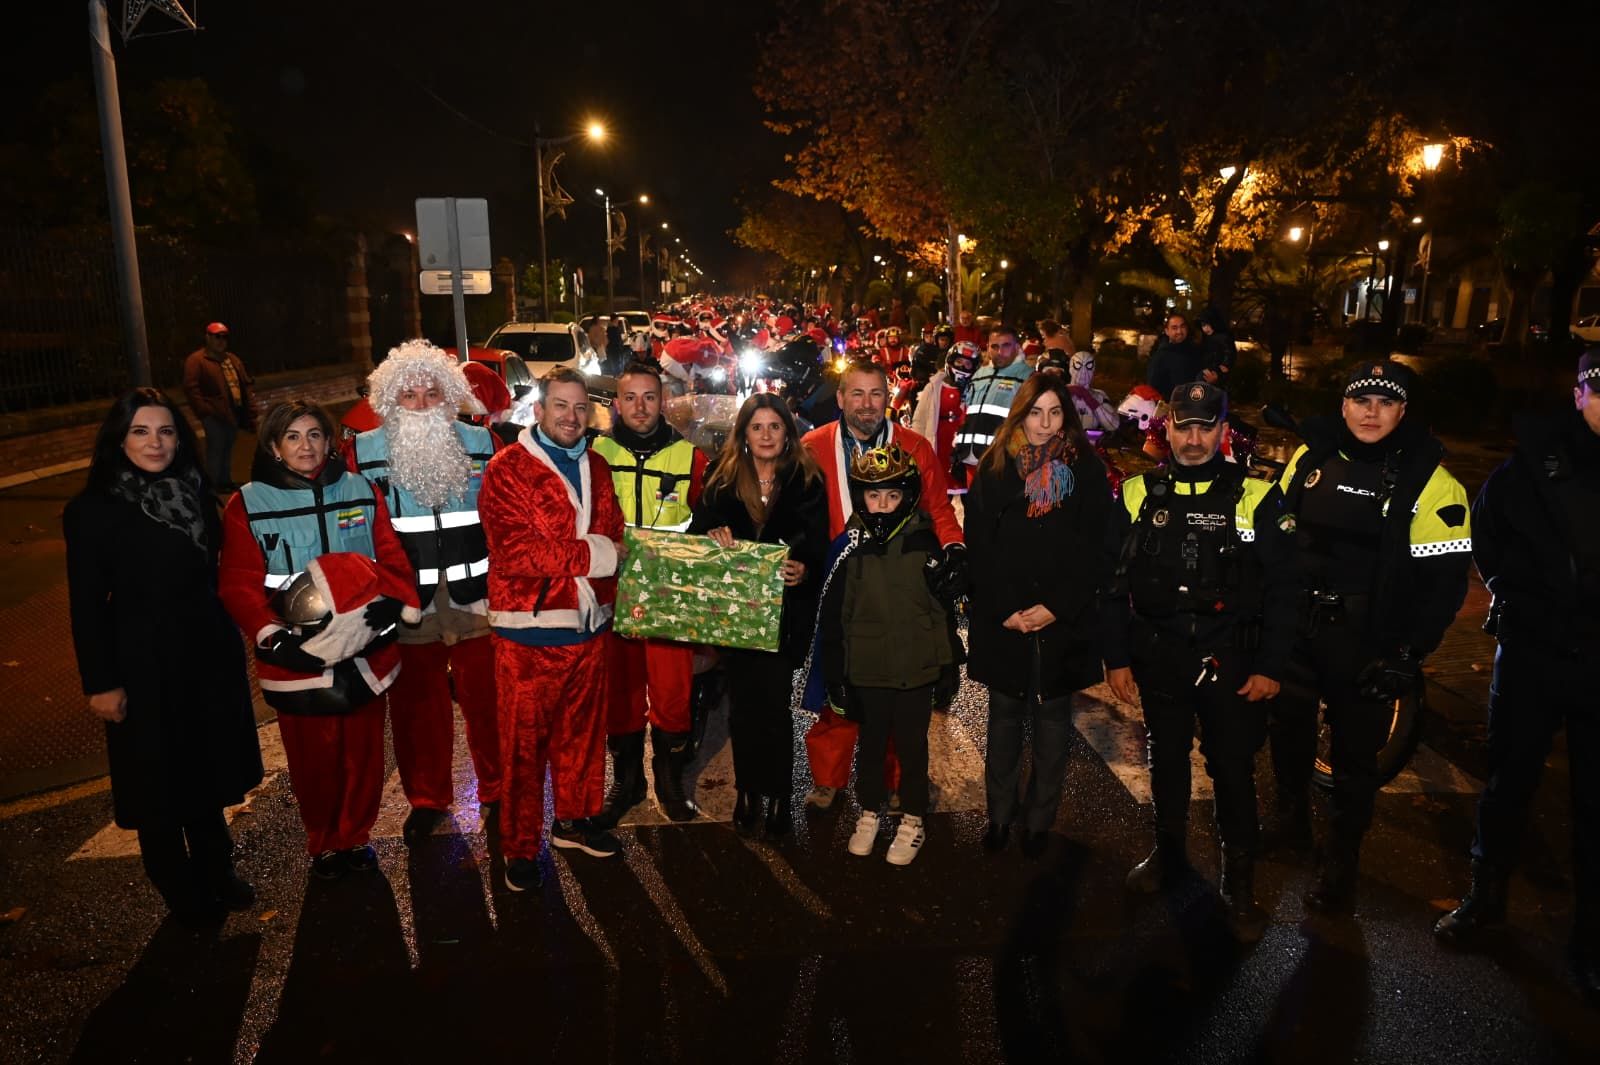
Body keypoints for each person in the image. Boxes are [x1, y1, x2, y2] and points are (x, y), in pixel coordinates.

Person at [1268, 360, 1471, 912]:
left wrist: (1408, 654)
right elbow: (1276, 530)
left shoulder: (1429, 481)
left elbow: (1445, 584)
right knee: (1288, 736)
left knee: (1355, 762)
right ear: (1344, 406)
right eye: (1362, 399)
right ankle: (1290, 825)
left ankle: (1341, 864)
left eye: (1386, 402)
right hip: (1297, 631)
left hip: (1365, 641)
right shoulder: (1310, 459)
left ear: (1403, 411)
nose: (1372, 411)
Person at [1102, 382, 1298, 940]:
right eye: (1182, 426)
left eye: (1204, 426)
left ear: (1222, 430)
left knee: (1232, 770)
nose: (1192, 438)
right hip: (1159, 653)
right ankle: (1168, 859)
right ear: (1165, 428)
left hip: (1231, 658)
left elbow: (1286, 589)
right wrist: (1116, 656)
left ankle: (1240, 885)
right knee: (1165, 762)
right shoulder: (1139, 492)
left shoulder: (1255, 496)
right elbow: (1112, 583)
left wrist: (1271, 666)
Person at [1433, 351, 1600, 999]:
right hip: (1534, 651)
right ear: (1581, 392)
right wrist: (1517, 593)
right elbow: (1487, 529)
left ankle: (1589, 938)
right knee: (1508, 780)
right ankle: (1486, 897)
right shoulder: (1533, 464)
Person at [65, 388, 263, 928]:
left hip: (205, 654)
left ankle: (218, 871)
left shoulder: (197, 491)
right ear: (118, 439)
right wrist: (100, 681)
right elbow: (86, 605)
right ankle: (182, 892)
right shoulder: (93, 509)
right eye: (141, 431)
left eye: (167, 431)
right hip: (141, 663)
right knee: (156, 782)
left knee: (205, 769)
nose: (156, 443)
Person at [219, 401, 421, 879]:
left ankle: (355, 837)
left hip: (366, 650)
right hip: (297, 657)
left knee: (364, 754)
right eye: (293, 437)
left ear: (331, 443)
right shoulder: (247, 503)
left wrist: (395, 600)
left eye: (314, 435)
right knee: (314, 760)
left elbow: (391, 555)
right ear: (273, 446)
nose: (306, 446)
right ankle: (323, 842)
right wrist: (270, 635)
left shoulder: (361, 489)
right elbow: (237, 581)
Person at [346, 341, 503, 846]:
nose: (421, 403)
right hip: (406, 598)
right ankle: (428, 799)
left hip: (474, 593)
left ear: (450, 394)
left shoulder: (483, 443)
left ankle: (497, 791)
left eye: (432, 392)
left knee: (488, 699)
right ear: (390, 399)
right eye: (408, 394)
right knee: (417, 708)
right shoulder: (363, 452)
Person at [479, 368, 626, 892]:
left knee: (583, 740)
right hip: (528, 633)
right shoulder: (507, 469)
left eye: (580, 408)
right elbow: (515, 552)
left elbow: (616, 529)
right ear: (538, 411)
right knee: (522, 749)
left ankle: (575, 820)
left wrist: (606, 559)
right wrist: (598, 556)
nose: (570, 417)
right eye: (560, 406)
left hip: (590, 628)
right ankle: (519, 847)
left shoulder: (600, 465)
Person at [800, 360, 964, 813]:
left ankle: (895, 782)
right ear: (840, 398)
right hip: (840, 584)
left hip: (898, 584)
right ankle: (828, 779)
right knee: (839, 687)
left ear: (887, 397)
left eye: (876, 394)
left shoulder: (914, 446)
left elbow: (939, 508)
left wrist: (953, 549)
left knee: (896, 689)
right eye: (857, 394)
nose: (867, 404)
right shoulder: (813, 447)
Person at [966, 374, 1111, 857]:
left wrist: (1054, 608)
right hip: (1005, 618)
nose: (1045, 425)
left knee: (1052, 723)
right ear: (1020, 414)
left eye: (1055, 414)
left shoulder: (1086, 470)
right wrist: (1006, 609)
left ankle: (1039, 822)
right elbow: (979, 547)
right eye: (1036, 413)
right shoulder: (994, 468)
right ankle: (1000, 817)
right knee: (1004, 719)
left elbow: (1097, 550)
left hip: (1059, 620)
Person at [815, 444, 963, 866]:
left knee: (913, 749)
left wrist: (947, 664)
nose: (881, 506)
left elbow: (940, 614)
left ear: (908, 496)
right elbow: (835, 617)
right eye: (872, 496)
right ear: (860, 496)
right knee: (872, 747)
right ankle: (869, 811)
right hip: (868, 671)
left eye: (892, 496)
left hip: (916, 672)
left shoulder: (924, 545)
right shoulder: (852, 549)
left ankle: (913, 818)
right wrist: (837, 675)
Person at [688, 394, 828, 839]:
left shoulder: (807, 479)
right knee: (744, 709)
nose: (766, 435)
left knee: (774, 708)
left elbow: (818, 544)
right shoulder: (721, 478)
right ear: (744, 433)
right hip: (736, 615)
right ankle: (748, 791)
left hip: (784, 614)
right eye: (757, 427)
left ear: (787, 431)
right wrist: (712, 535)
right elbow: (697, 538)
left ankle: (781, 794)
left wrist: (803, 567)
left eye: (774, 427)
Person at [591, 361, 710, 826]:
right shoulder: (594, 454)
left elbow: (706, 520)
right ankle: (627, 780)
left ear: (663, 402)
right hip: (613, 591)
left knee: (672, 693)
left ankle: (668, 778)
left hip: (668, 592)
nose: (640, 407)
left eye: (649, 397)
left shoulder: (690, 457)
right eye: (631, 398)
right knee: (619, 691)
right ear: (617, 403)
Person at [951, 325, 1033, 491]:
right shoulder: (980, 373)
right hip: (970, 458)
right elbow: (966, 410)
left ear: (1017, 347)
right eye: (994, 346)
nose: (1000, 351)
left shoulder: (1027, 376)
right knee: (973, 512)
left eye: (1006, 345)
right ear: (987, 347)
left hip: (1001, 461)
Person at [182, 322, 256, 492]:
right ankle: (213, 484)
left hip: (232, 412)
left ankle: (224, 480)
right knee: (216, 448)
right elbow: (191, 388)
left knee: (228, 447)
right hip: (213, 413)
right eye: (217, 337)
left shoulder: (231, 359)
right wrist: (204, 410)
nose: (221, 341)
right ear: (207, 337)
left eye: (224, 337)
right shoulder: (197, 360)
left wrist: (249, 411)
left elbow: (245, 385)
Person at [1146, 313, 1204, 400]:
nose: (1179, 331)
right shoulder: (1160, 356)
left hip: (1193, 406)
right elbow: (1152, 387)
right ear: (1167, 331)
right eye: (1174, 328)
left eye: (1182, 327)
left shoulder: (1196, 352)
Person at [1196, 307, 1238, 386]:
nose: (1206, 328)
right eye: (1204, 325)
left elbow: (1229, 351)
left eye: (1208, 324)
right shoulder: (1206, 338)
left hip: (1218, 369)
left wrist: (1226, 364)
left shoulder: (1223, 336)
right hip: (1209, 368)